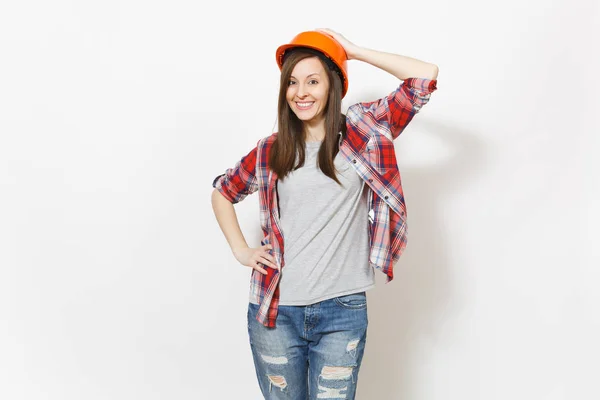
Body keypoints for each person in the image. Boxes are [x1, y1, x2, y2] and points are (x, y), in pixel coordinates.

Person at [211, 28, 438, 400]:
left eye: (313, 81)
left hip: (342, 311)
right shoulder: (271, 150)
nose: (301, 92)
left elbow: (424, 77)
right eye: (293, 83)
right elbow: (223, 192)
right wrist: (241, 250)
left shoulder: (362, 132)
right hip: (275, 312)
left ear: (333, 86)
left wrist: (352, 51)